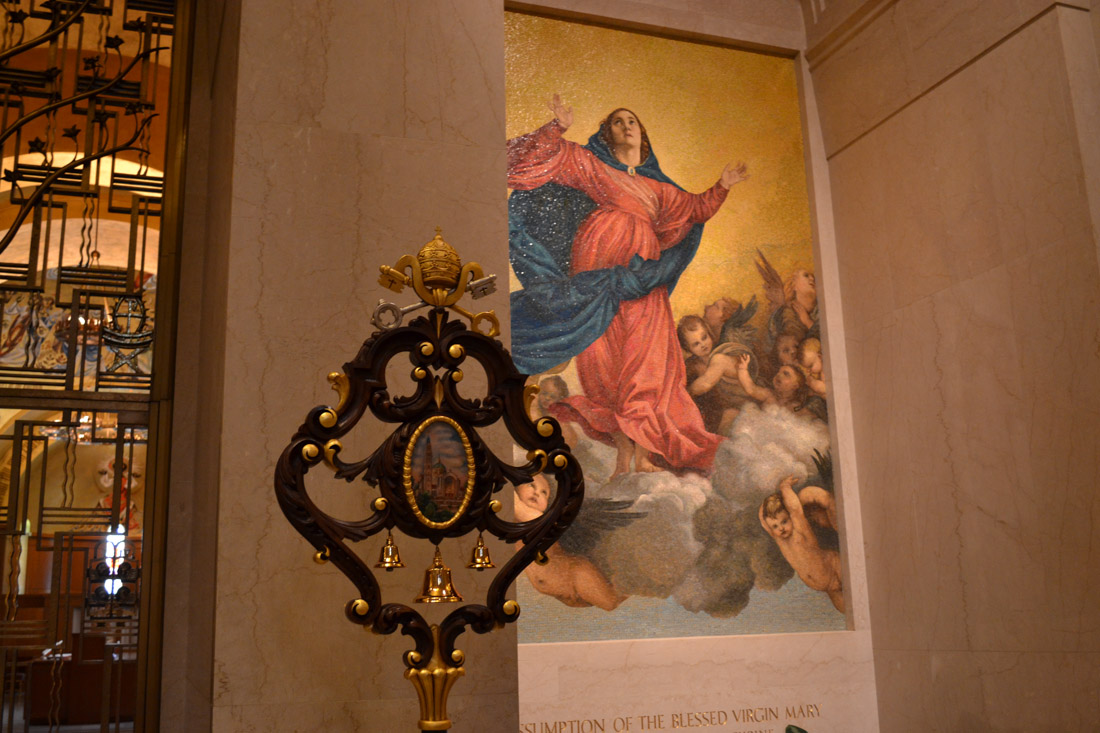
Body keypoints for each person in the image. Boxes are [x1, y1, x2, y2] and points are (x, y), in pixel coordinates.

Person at [508, 94, 749, 476]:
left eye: (631, 120)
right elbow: (544, 157)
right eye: (617, 122)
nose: (625, 126)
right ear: (607, 135)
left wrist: (723, 185)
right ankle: (626, 455)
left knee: (647, 355)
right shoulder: (595, 168)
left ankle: (643, 455)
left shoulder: (660, 189)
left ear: (643, 134)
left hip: (643, 271)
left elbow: (696, 209)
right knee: (606, 357)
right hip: (598, 261)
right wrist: (558, 126)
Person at [514, 475, 626, 611]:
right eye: (531, 485)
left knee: (611, 603)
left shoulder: (536, 519)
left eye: (544, 493)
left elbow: (515, 504)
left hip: (577, 575)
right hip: (562, 588)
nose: (537, 493)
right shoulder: (515, 521)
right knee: (613, 601)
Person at [759, 475, 843, 612]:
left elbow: (794, 508)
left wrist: (785, 488)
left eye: (784, 521)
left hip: (832, 566)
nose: (781, 528)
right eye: (775, 526)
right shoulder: (780, 540)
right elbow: (763, 519)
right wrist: (769, 503)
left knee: (856, 587)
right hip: (824, 585)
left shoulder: (798, 528)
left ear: (790, 517)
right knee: (846, 608)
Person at [678, 315, 752, 434]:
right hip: (713, 412)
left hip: (736, 403)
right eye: (696, 344)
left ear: (709, 333)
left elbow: (704, 385)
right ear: (688, 348)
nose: (703, 344)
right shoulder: (692, 366)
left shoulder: (721, 353)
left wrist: (690, 392)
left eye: (704, 337)